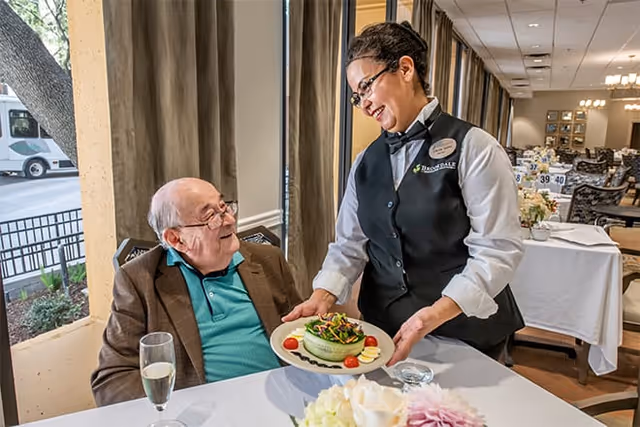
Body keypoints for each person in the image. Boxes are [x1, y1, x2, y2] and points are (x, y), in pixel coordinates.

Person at [283, 22, 524, 365]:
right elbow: (349, 244)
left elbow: (497, 250)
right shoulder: (365, 161)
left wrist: (433, 314)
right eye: (357, 96)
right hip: (385, 331)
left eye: (367, 86)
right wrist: (323, 294)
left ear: (406, 69)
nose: (364, 104)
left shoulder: (476, 147)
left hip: (464, 334)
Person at [91, 178, 301, 406]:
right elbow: (111, 380)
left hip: (281, 399)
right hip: (203, 415)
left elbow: (298, 333)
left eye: (224, 207)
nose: (230, 220)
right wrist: (184, 409)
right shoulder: (139, 281)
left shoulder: (268, 259)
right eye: (210, 217)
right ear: (176, 239)